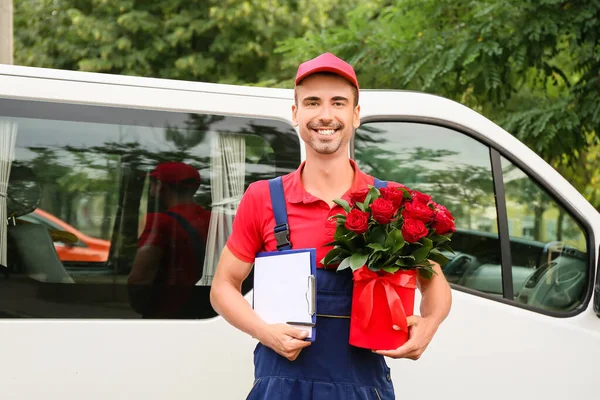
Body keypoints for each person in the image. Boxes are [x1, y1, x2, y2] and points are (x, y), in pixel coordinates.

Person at [210, 53, 452, 399]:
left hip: (361, 388)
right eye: (312, 102)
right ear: (295, 114)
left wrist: (428, 326)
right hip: (281, 386)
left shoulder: (392, 202)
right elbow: (223, 287)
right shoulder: (262, 198)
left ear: (355, 116)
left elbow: (436, 286)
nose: (325, 115)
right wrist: (266, 333)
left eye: (338, 103)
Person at [129, 161, 211, 319]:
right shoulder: (216, 220)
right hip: (207, 310)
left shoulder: (159, 221)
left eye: (152, 184)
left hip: (167, 314)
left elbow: (141, 276)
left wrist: (139, 307)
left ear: (159, 186)